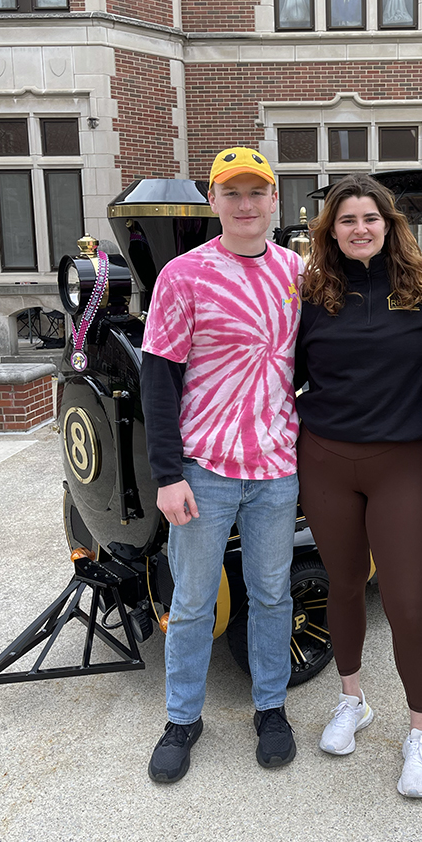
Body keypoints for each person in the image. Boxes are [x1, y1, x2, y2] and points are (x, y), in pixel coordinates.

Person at [140, 147, 304, 783]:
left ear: (273, 202)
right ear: (213, 202)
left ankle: (271, 707)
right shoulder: (183, 277)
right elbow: (159, 380)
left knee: (270, 594)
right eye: (231, 193)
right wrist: (166, 472)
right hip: (204, 467)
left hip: (276, 467)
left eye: (256, 192)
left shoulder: (298, 274)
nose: (245, 205)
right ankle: (182, 717)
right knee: (191, 600)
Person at [294, 174, 422, 798]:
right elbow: (279, 368)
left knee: (405, 602)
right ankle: (352, 699)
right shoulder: (311, 293)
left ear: (390, 225)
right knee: (342, 586)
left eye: (370, 218)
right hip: (327, 459)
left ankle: (421, 732)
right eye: (347, 220)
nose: (359, 229)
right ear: (329, 231)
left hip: (403, 461)